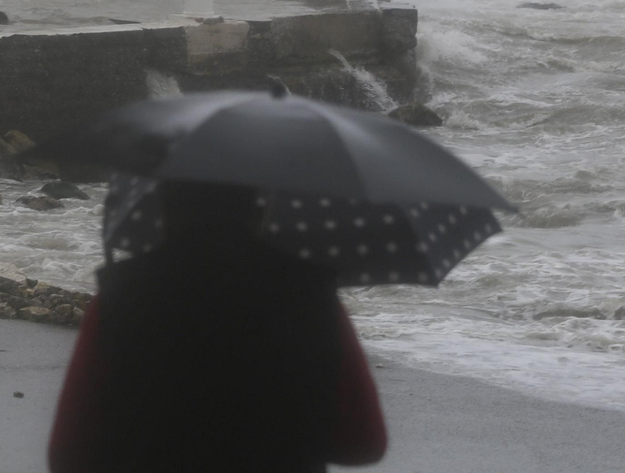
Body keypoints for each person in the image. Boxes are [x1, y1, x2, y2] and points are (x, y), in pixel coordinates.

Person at [49, 180, 387, 473]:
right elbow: (364, 443)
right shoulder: (310, 297)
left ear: (164, 210)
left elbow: (69, 455)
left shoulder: (119, 297)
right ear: (259, 211)